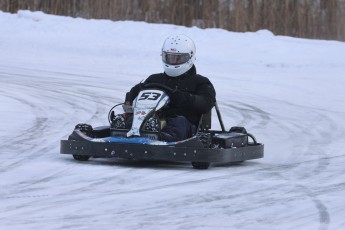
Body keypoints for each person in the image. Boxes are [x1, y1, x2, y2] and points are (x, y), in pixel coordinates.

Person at [118, 34, 216, 142]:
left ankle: (161, 139)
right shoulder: (154, 79)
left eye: (178, 58)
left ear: (189, 58)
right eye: (169, 57)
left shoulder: (200, 82)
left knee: (179, 121)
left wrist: (182, 97)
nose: (173, 61)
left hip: (185, 128)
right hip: (154, 120)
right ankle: (124, 132)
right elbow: (134, 98)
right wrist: (132, 95)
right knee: (133, 118)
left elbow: (206, 103)